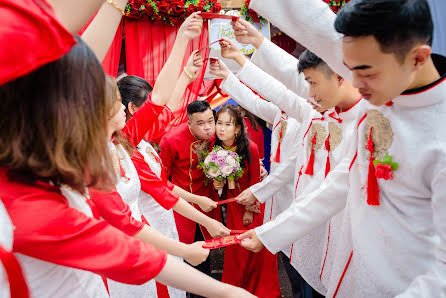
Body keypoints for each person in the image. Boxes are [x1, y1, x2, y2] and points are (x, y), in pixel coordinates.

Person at [240, 0, 446, 297]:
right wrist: (271, 232)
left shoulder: (437, 133)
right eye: (348, 70)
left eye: (366, 73)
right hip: (353, 275)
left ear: (418, 59)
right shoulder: (385, 90)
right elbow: (343, 180)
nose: (356, 85)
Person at [208, 105, 281, 298]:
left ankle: (256, 290)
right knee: (237, 251)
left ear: (238, 128)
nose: (221, 128)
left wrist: (250, 211)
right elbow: (219, 187)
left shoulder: (251, 149)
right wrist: (218, 183)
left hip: (251, 207)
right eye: (219, 123)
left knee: (252, 250)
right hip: (233, 205)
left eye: (227, 124)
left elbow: (256, 184)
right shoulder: (217, 149)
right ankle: (236, 289)